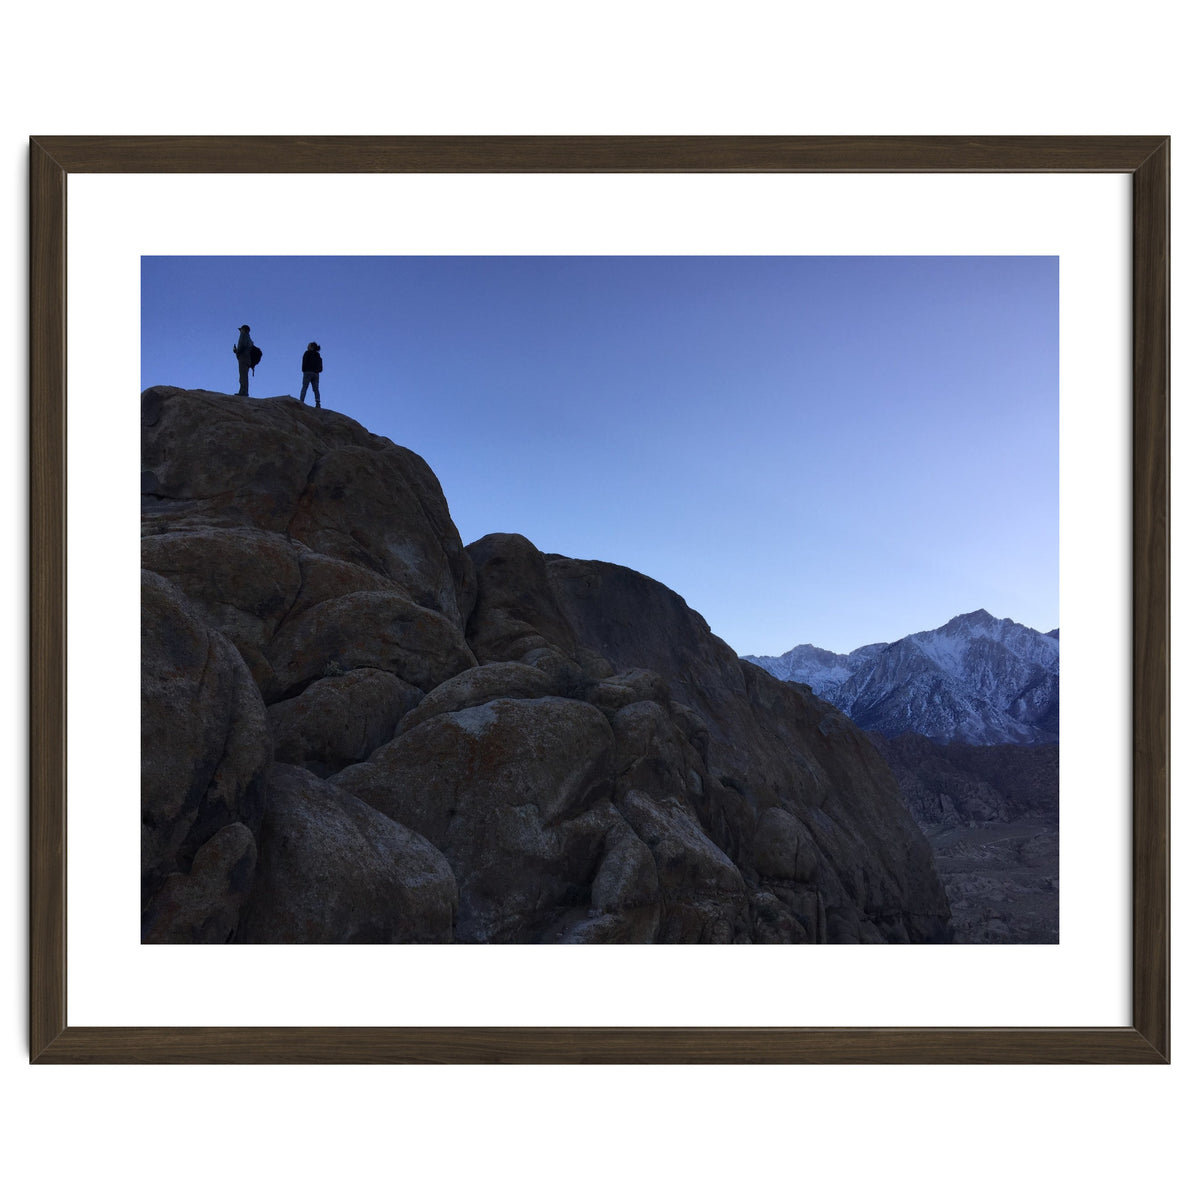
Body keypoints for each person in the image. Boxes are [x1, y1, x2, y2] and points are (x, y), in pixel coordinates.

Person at [233, 324, 257, 396]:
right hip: (247, 359)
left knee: (243, 376)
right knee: (244, 376)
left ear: (243, 329)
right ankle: (244, 391)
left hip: (243, 358)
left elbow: (242, 345)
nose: (240, 331)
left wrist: (236, 351)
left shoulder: (244, 335)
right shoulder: (250, 339)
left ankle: (243, 392)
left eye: (241, 330)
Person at [300, 341, 323, 408]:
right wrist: (317, 371)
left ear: (311, 347)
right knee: (316, 389)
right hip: (316, 374)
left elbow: (304, 362)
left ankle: (301, 401)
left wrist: (304, 370)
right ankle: (318, 403)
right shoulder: (318, 356)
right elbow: (321, 367)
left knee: (305, 387)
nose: (307, 347)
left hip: (308, 372)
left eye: (309, 345)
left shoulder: (307, 353)